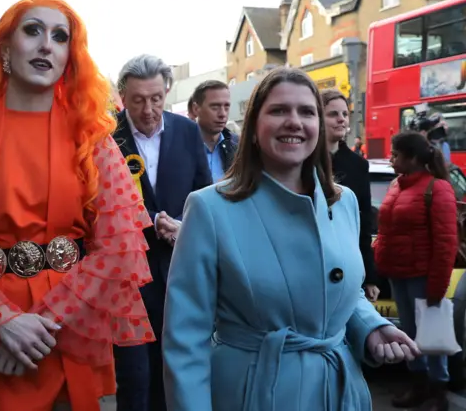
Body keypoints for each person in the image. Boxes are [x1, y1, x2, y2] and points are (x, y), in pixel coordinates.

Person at [0, 0, 154, 411]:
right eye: (32, 30)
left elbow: (119, 247)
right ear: (5, 48)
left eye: (60, 37)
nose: (46, 45)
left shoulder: (92, 138)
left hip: (68, 327)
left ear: (69, 56)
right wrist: (2, 319)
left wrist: (38, 326)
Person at [162, 67, 420, 411]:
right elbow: (185, 340)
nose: (294, 122)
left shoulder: (343, 203)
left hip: (339, 392)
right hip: (252, 394)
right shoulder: (210, 207)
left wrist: (369, 325)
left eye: (307, 112)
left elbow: (340, 287)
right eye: (279, 110)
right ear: (254, 127)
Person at [112, 54, 212, 411]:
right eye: (138, 100)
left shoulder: (186, 131)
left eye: (156, 98)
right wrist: (149, 220)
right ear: (122, 97)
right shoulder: (105, 135)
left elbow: (204, 193)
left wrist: (186, 227)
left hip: (180, 273)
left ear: (167, 92)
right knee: (136, 378)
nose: (149, 109)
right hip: (127, 280)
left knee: (177, 372)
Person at [374, 131, 457, 410]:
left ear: (411, 158)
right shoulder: (397, 185)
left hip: (423, 276)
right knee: (408, 334)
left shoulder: (438, 188)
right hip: (398, 273)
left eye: (395, 155)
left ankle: (438, 392)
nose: (391, 159)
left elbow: (446, 242)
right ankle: (418, 385)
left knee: (432, 336)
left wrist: (437, 286)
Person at [322, 89, 380, 301]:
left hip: (349, 264)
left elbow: (363, 223)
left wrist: (370, 277)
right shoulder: (302, 161)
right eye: (333, 114)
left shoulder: (358, 165)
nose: (341, 119)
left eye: (345, 114)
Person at [192, 80, 238, 182]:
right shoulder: (179, 147)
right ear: (196, 109)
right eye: (215, 107)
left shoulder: (238, 147)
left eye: (226, 106)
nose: (222, 114)